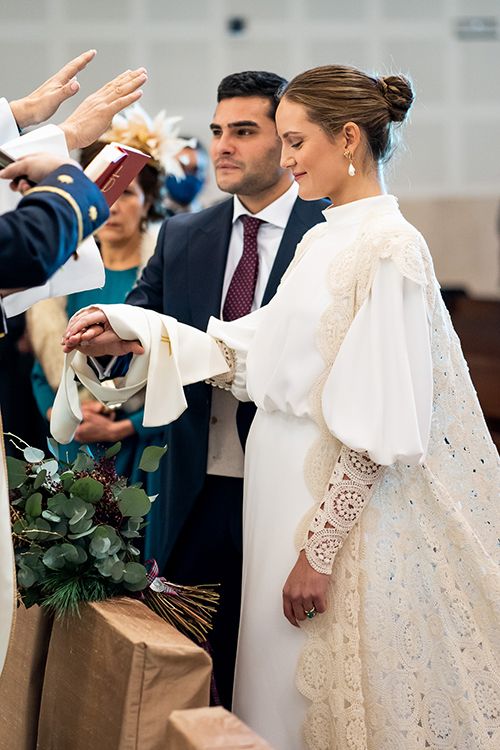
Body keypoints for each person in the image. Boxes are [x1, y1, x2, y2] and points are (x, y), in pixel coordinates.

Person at [63, 64, 500, 750]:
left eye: (296, 141)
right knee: (262, 691)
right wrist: (139, 329)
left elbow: (382, 423)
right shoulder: (328, 236)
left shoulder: (388, 247)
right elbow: (254, 347)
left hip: (317, 508)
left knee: (303, 695)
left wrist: (318, 553)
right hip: (273, 498)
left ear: (348, 138)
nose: (287, 158)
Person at [62, 70, 327, 709]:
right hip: (191, 483)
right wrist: (104, 343)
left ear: (288, 142)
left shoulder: (326, 236)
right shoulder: (183, 235)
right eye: (216, 132)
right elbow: (139, 325)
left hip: (289, 487)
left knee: (276, 668)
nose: (223, 146)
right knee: (187, 665)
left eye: (244, 131)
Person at [29, 108, 175, 493]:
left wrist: (124, 423)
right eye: (104, 193)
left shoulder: (161, 276)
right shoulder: (66, 274)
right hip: (74, 437)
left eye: (127, 193)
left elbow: (178, 362)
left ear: (148, 202)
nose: (113, 206)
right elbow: (42, 366)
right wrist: (64, 413)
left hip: (143, 442)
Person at [163, 137, 208, 214]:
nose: (188, 175)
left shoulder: (211, 218)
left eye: (195, 170)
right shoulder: (146, 213)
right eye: (181, 168)